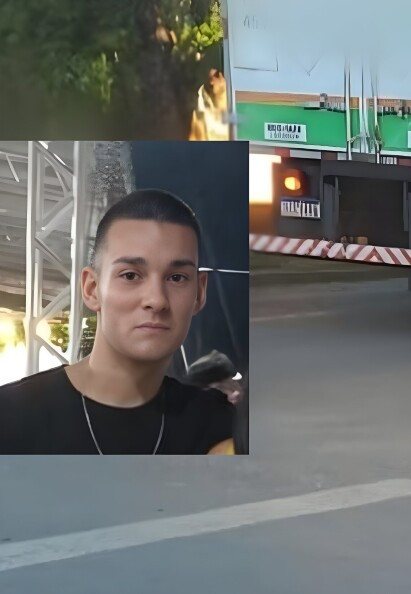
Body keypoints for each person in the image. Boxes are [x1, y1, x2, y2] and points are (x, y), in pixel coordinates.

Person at [0, 189, 241, 455]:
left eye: (177, 278)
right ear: (92, 289)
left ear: (199, 293)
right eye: (130, 276)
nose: (156, 300)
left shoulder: (221, 426)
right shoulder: (13, 418)